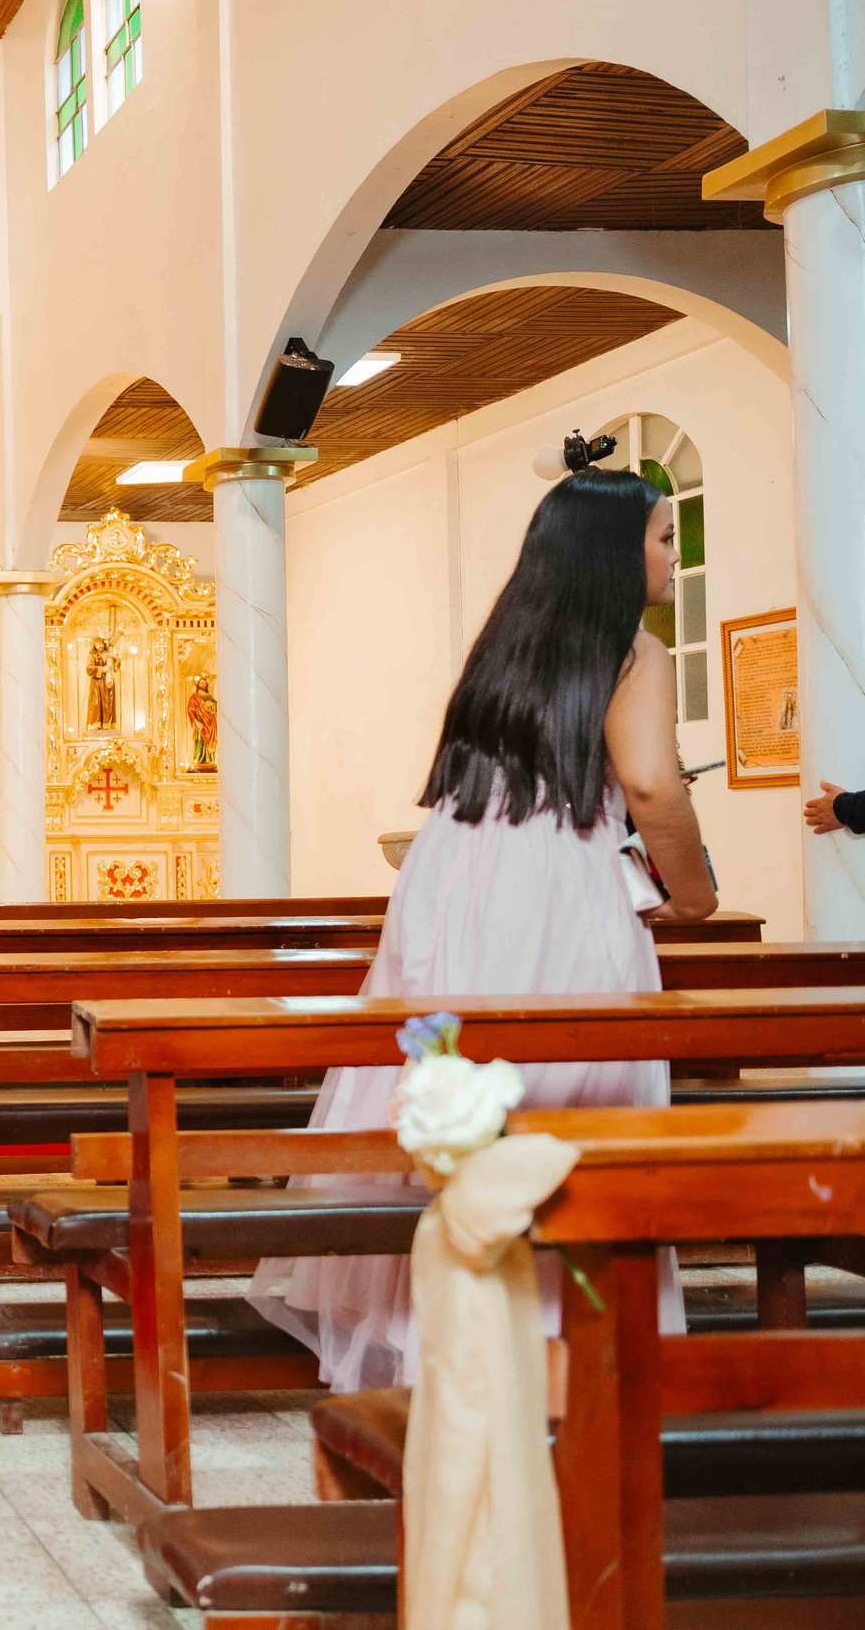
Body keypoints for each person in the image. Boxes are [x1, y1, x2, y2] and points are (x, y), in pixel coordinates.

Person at [251, 466, 716, 1392]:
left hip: (458, 872)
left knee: (460, 1083)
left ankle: (437, 1325)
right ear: (613, 555)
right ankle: (562, 1335)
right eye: (664, 538)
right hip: (557, 885)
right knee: (571, 1092)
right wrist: (694, 893)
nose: (673, 554)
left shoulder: (506, 647)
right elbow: (656, 784)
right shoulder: (636, 649)